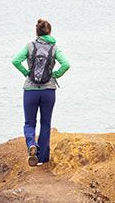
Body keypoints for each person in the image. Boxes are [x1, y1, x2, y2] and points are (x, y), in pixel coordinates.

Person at [11, 18, 71, 166]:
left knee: (29, 122)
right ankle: (42, 158)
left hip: (30, 90)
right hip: (48, 90)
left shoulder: (30, 46)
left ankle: (32, 144)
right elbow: (66, 64)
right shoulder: (54, 48)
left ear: (36, 32)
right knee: (45, 123)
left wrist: (26, 72)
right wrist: (54, 75)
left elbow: (15, 60)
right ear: (49, 32)